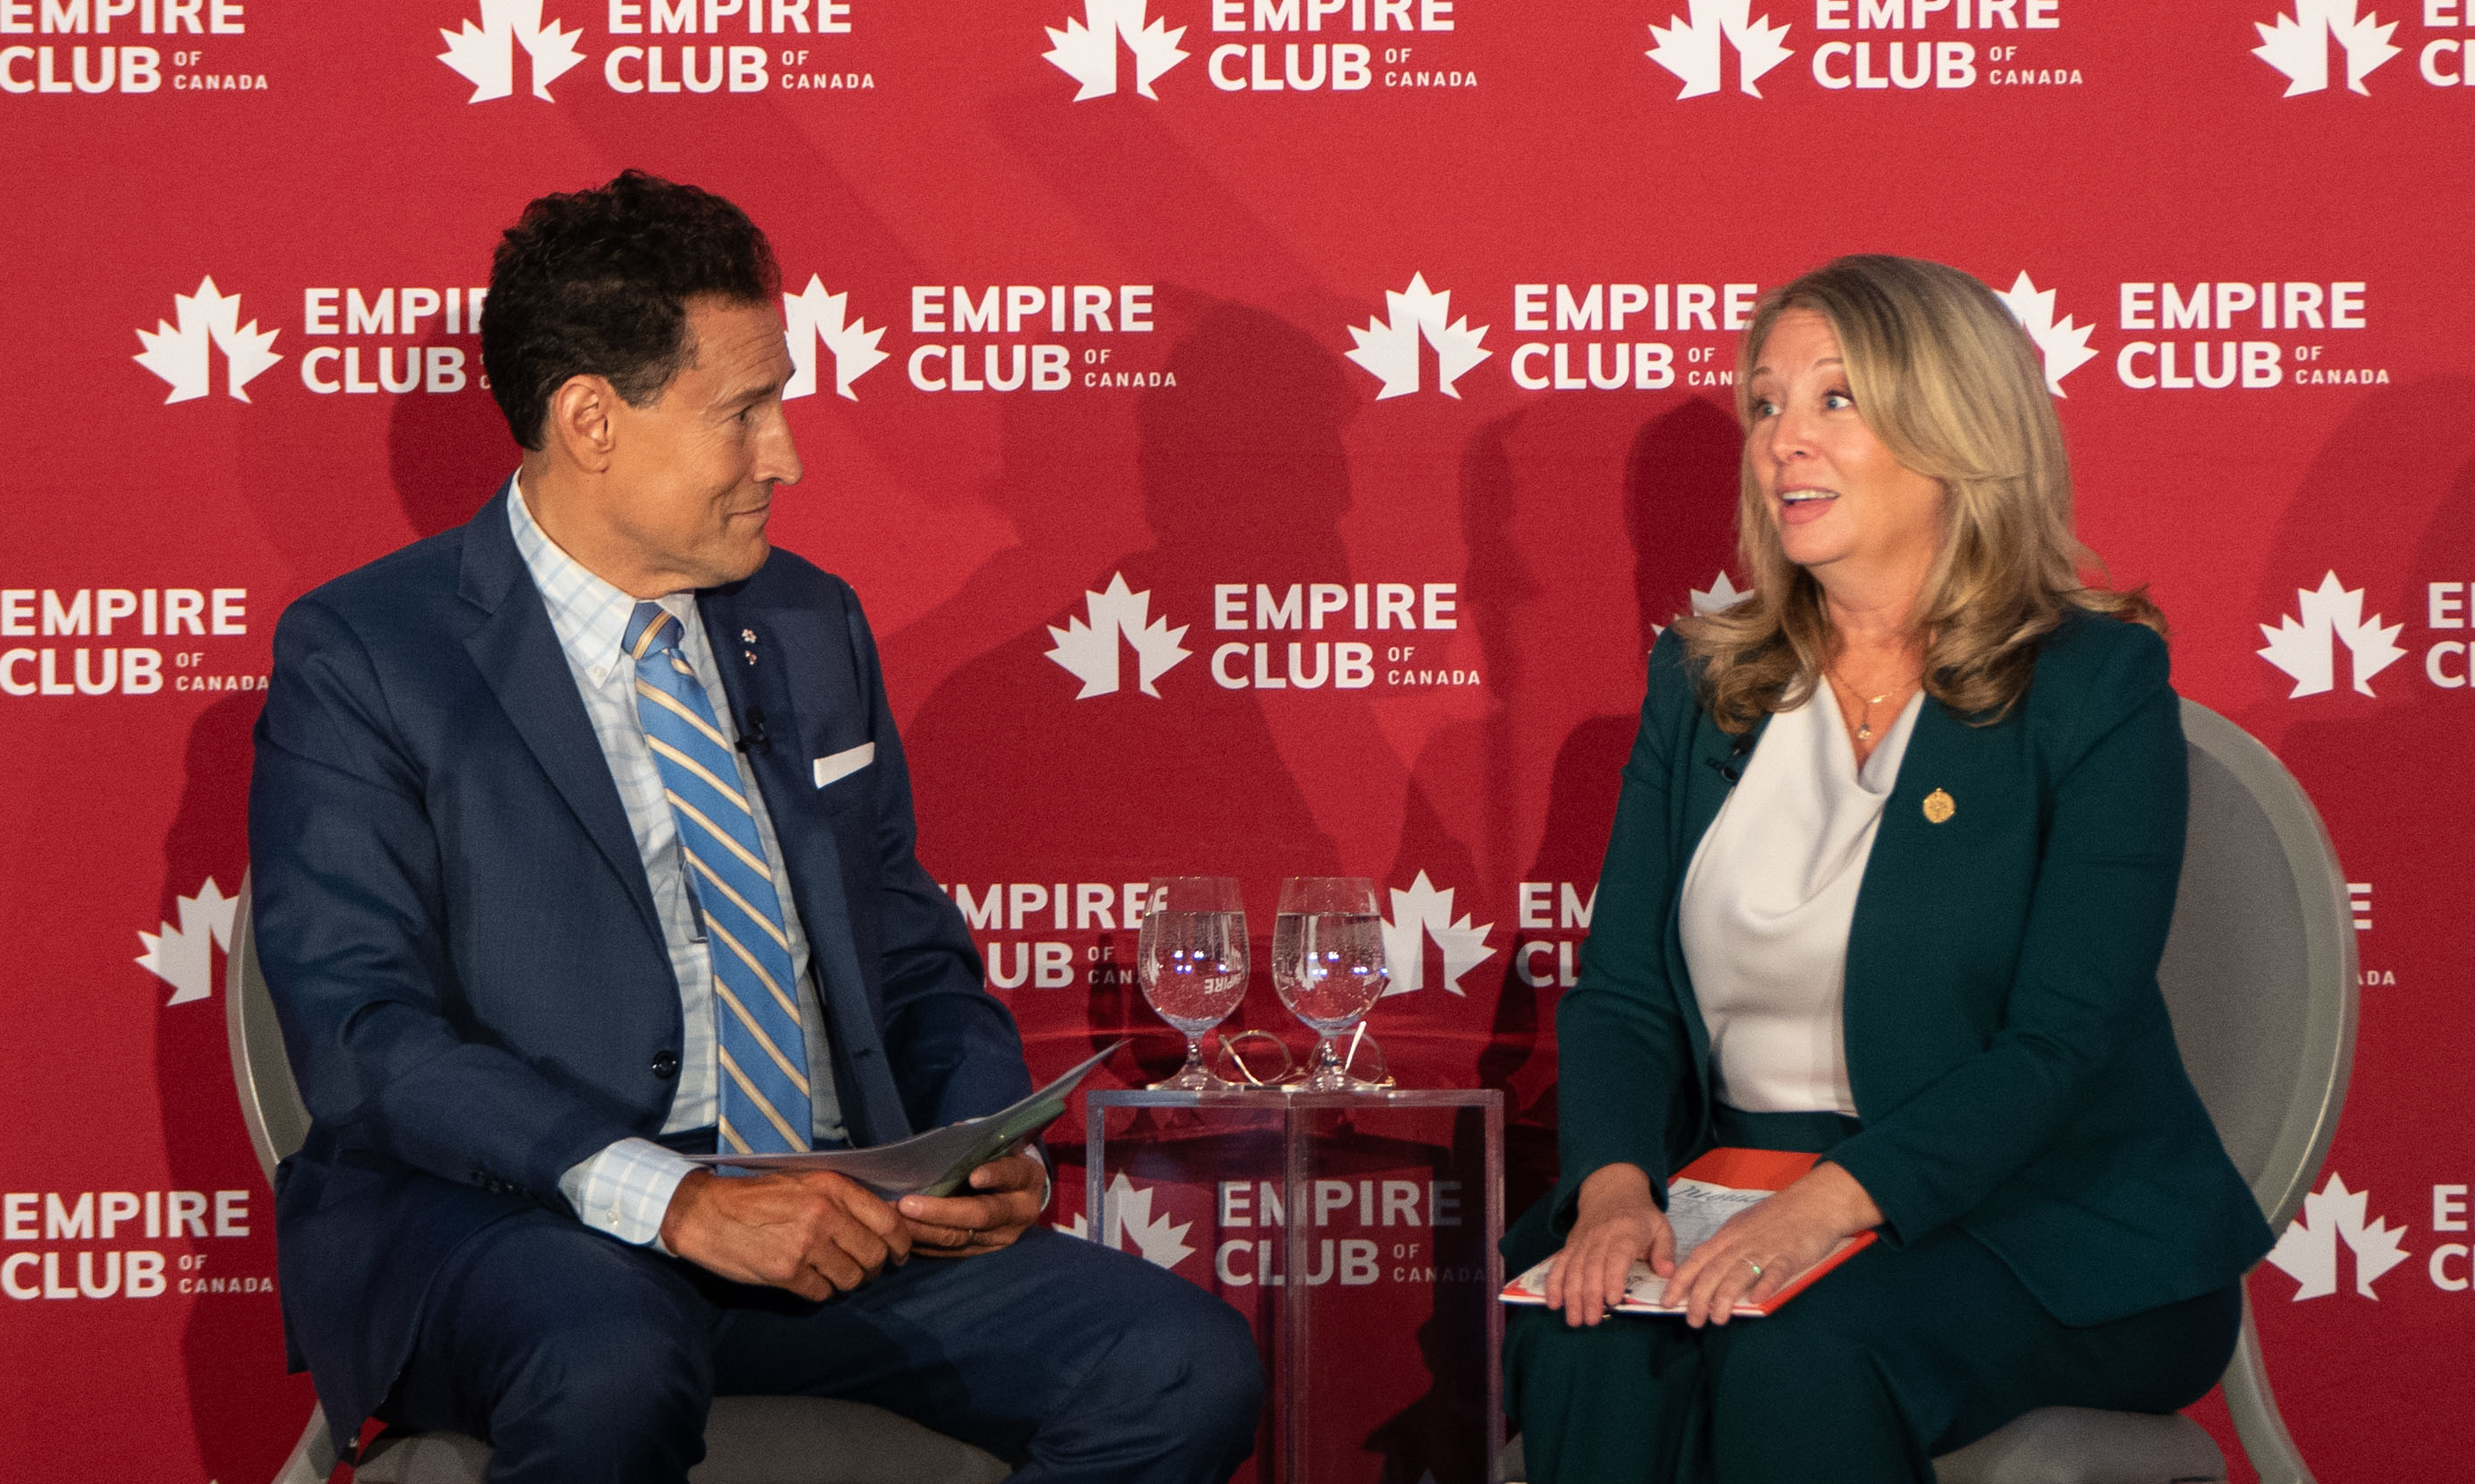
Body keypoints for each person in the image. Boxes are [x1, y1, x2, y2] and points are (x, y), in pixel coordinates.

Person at [248, 170, 1262, 1484]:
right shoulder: (367, 655)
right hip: (513, 1229)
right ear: (591, 421)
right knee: (608, 1355)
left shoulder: (806, 622)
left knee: (1182, 1367)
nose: (785, 452)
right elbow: (364, 1034)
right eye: (746, 410)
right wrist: (675, 1202)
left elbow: (907, 946)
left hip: (832, 1220)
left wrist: (978, 1145)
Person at [1500, 254, 2275, 1483]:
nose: (1781, 443)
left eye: (1834, 401)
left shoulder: (2089, 685)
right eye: (1765, 405)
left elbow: (2059, 1044)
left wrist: (1828, 1206)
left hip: (2033, 1221)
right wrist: (1608, 1195)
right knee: (1584, 1336)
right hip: (1732, 1187)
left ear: (1955, 428)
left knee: (1800, 1352)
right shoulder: (1702, 686)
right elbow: (1626, 997)